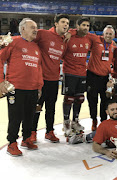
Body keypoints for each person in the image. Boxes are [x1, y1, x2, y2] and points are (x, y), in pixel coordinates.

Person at [0, 18, 43, 156]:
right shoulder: (13, 41)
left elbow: (38, 68)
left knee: (29, 116)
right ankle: (12, 143)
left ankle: (26, 139)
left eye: (36, 27)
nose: (36, 30)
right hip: (15, 88)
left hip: (32, 89)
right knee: (15, 117)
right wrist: (1, 81)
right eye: (32, 27)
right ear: (23, 29)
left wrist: (39, 86)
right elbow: (0, 59)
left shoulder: (36, 47)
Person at [31, 14, 70, 143]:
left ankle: (49, 131)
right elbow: (27, 38)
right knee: (36, 107)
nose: (66, 25)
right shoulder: (43, 34)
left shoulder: (64, 41)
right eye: (63, 22)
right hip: (40, 79)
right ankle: (32, 132)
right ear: (56, 23)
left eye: (68, 23)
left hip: (54, 80)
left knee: (51, 108)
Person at [61, 17, 95, 136]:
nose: (86, 28)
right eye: (84, 25)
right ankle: (66, 123)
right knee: (69, 98)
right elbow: (61, 54)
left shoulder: (89, 38)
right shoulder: (69, 37)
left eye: (88, 26)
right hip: (69, 72)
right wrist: (71, 32)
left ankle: (75, 121)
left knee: (79, 98)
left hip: (82, 73)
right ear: (77, 25)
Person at [85, 25, 117, 131]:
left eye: (110, 34)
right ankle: (94, 120)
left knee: (105, 101)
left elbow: (113, 64)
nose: (108, 35)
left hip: (105, 79)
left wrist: (111, 78)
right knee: (92, 101)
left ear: (114, 35)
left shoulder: (114, 47)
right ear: (103, 34)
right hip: (92, 76)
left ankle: (103, 122)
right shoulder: (96, 40)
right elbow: (83, 32)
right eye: (106, 33)